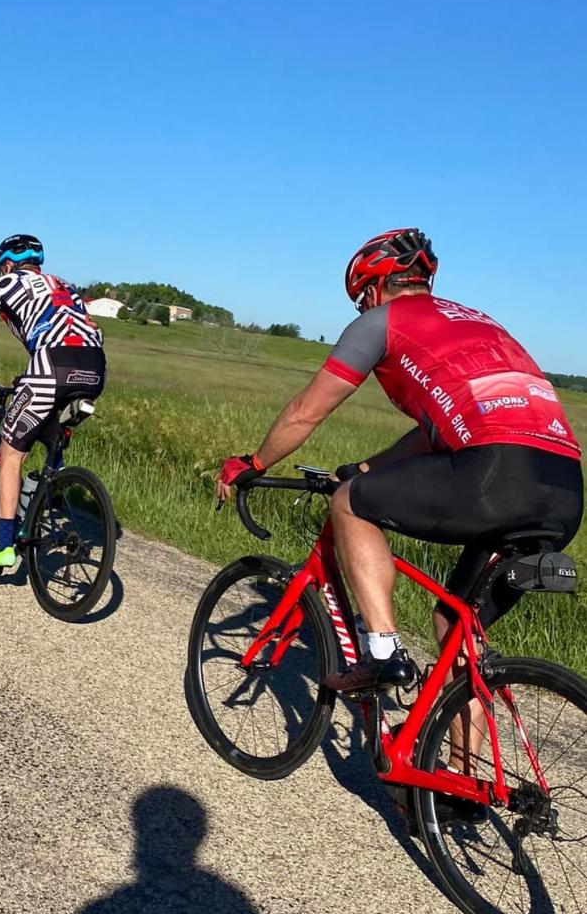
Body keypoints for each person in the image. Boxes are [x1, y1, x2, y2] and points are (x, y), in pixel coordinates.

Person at [216, 227, 583, 702]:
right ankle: (458, 771)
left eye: (361, 299)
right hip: (564, 488)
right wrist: (368, 468)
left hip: (492, 472)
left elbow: (307, 410)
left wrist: (253, 461)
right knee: (456, 631)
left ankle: (383, 652)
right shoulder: (482, 323)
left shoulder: (382, 321)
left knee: (349, 504)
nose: (363, 309)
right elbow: (429, 434)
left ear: (374, 287)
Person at [0, 234, 107, 569]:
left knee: (11, 450)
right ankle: (45, 478)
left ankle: (4, 546)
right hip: (96, 367)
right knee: (43, 430)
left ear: (5, 265)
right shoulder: (65, 286)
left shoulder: (2, 285)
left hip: (52, 365)